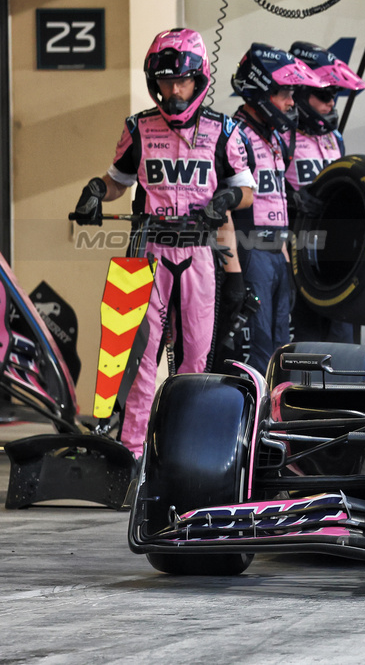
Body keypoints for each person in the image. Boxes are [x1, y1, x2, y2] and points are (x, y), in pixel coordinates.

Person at [70, 28, 254, 457]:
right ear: (155, 82)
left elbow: (246, 190)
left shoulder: (224, 130)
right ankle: (132, 450)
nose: (174, 90)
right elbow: (116, 181)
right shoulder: (137, 127)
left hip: (199, 252)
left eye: (182, 81)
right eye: (166, 81)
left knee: (196, 355)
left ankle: (185, 449)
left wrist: (227, 196)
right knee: (141, 353)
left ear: (198, 79)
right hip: (148, 251)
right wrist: (95, 191)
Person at [231, 43, 324, 373]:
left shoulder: (274, 136)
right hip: (249, 252)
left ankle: (279, 418)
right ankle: (256, 422)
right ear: (258, 91)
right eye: (284, 92)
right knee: (258, 345)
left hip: (277, 251)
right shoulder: (234, 134)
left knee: (281, 346)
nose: (290, 101)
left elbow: (272, 189)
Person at [284, 41, 363, 344]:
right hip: (295, 249)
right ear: (301, 93)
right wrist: (293, 200)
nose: (331, 103)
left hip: (336, 251)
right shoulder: (281, 134)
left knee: (342, 337)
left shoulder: (335, 138)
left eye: (334, 95)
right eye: (323, 95)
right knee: (305, 337)